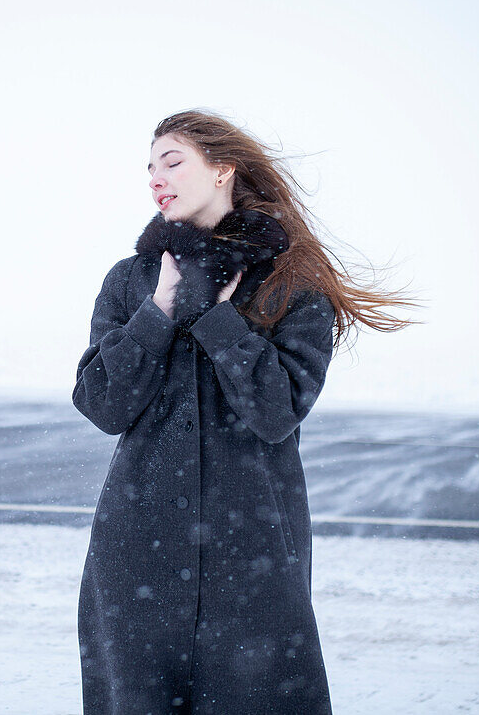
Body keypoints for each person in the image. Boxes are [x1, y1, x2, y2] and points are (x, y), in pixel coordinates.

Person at [71, 109, 415, 714]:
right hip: (138, 547)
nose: (156, 178)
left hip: (251, 549)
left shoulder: (291, 282)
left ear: (224, 169)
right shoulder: (130, 281)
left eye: (172, 162)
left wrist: (218, 320)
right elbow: (102, 404)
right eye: (149, 168)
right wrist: (159, 312)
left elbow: (278, 411)